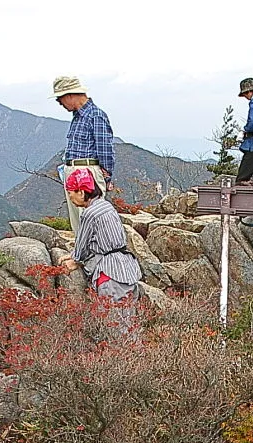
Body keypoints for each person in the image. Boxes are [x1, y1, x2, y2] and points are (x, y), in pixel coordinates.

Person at [60, 168, 142, 303]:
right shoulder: (106, 206)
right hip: (127, 269)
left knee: (113, 321)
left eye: (70, 193)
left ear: (81, 192)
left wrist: (74, 260)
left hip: (109, 274)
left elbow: (82, 245)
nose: (70, 198)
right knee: (129, 319)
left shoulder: (90, 213)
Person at [52, 76, 115, 234]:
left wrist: (106, 177)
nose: (61, 104)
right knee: (78, 222)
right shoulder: (78, 117)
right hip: (75, 171)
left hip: (86, 172)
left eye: (61, 100)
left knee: (90, 220)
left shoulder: (95, 115)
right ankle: (81, 255)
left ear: (70, 95)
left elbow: (105, 148)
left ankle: (94, 256)